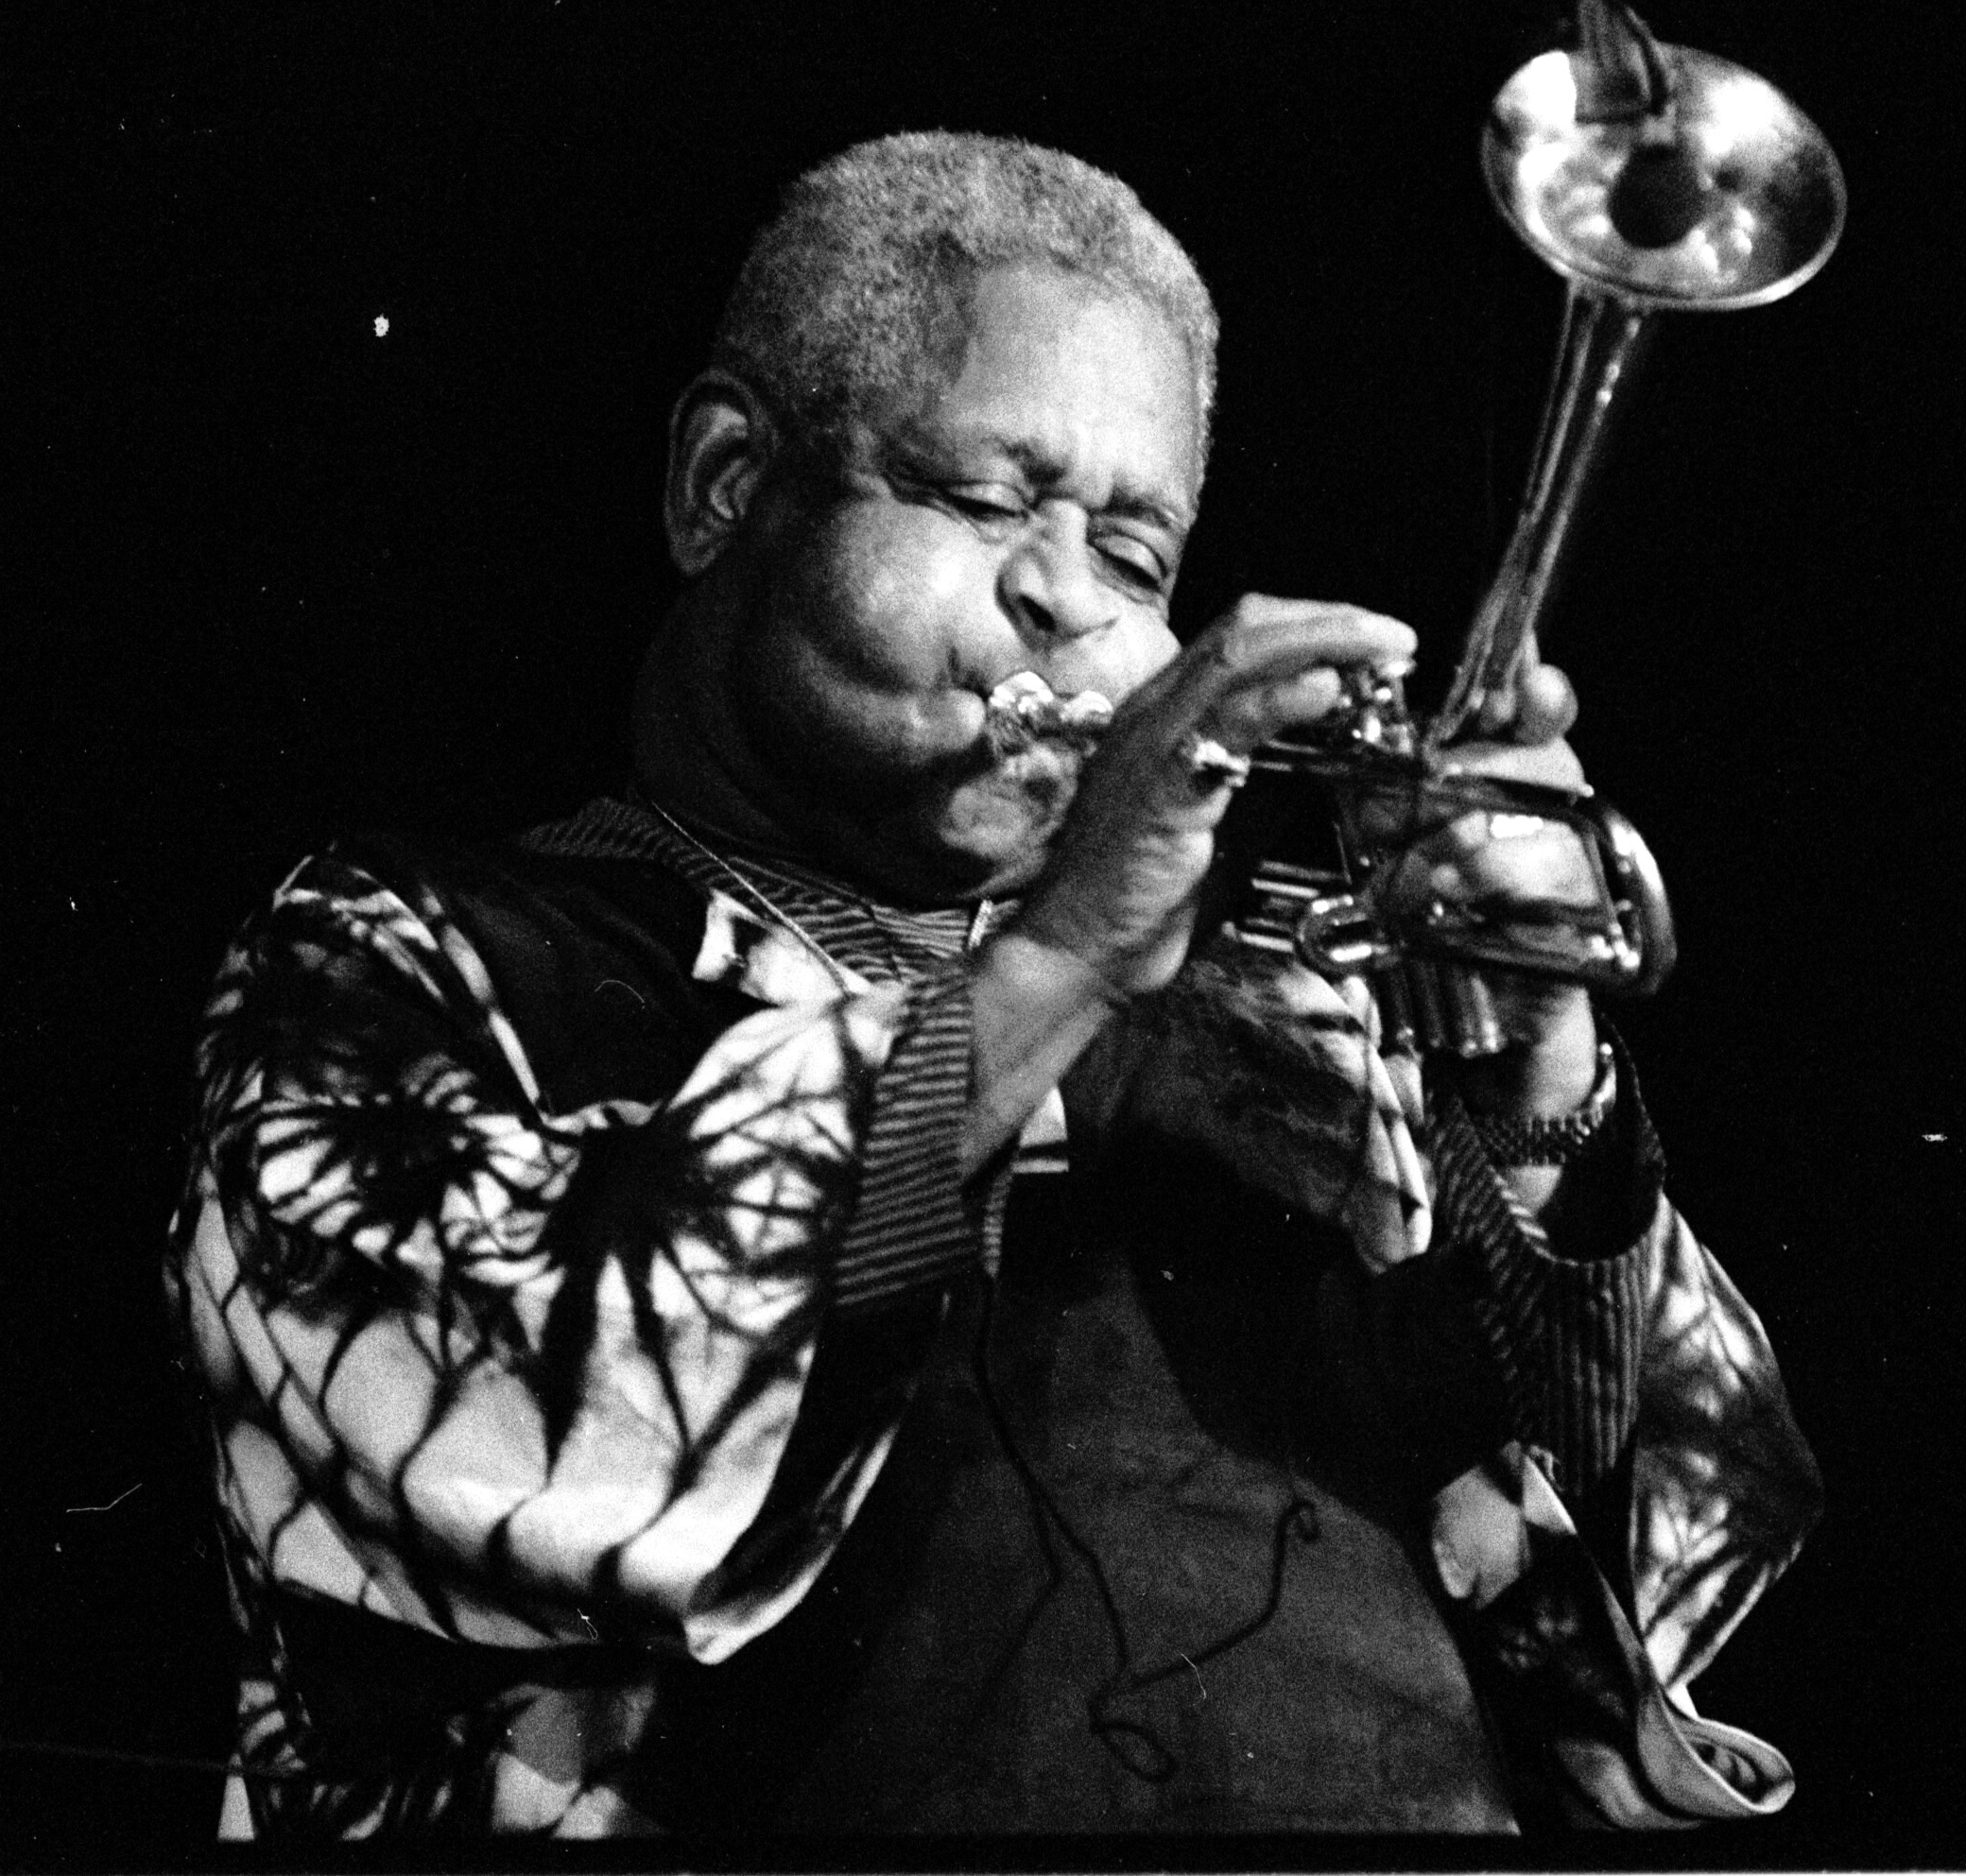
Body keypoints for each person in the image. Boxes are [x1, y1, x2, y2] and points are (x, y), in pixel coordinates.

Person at [164, 130, 1820, 1841]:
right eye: (981, 499)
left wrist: (1533, 1063)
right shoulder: (393, 945)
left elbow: (1666, 1546)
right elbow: (538, 1424)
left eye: (1136, 556)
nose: (1064, 597)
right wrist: (1064, 960)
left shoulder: (1283, 1017)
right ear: (724, 482)